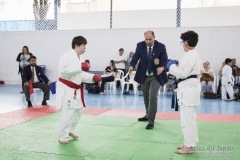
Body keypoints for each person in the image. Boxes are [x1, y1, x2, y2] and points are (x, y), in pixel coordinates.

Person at [56, 36, 101, 144]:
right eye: (83, 46)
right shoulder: (66, 56)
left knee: (78, 111)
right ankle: (63, 136)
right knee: (67, 113)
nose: (85, 48)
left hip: (76, 90)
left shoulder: (79, 58)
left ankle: (70, 131)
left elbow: (81, 75)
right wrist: (79, 67)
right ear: (77, 45)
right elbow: (63, 72)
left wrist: (93, 78)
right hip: (67, 89)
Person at [167, 30, 201, 154]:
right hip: (189, 88)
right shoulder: (193, 55)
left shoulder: (190, 55)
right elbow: (184, 70)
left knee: (187, 120)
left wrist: (171, 66)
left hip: (188, 90)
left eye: (182, 42)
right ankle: (190, 144)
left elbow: (182, 73)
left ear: (186, 42)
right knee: (190, 119)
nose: (182, 45)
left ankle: (189, 146)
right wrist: (176, 65)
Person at [129, 30, 168, 130]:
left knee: (152, 96)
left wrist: (162, 67)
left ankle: (151, 121)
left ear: (154, 37)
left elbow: (164, 59)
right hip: (144, 75)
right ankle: (147, 115)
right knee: (146, 97)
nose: (148, 41)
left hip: (156, 75)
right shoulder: (140, 45)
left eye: (150, 39)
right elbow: (135, 57)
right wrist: (131, 66)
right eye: (146, 39)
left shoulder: (161, 46)